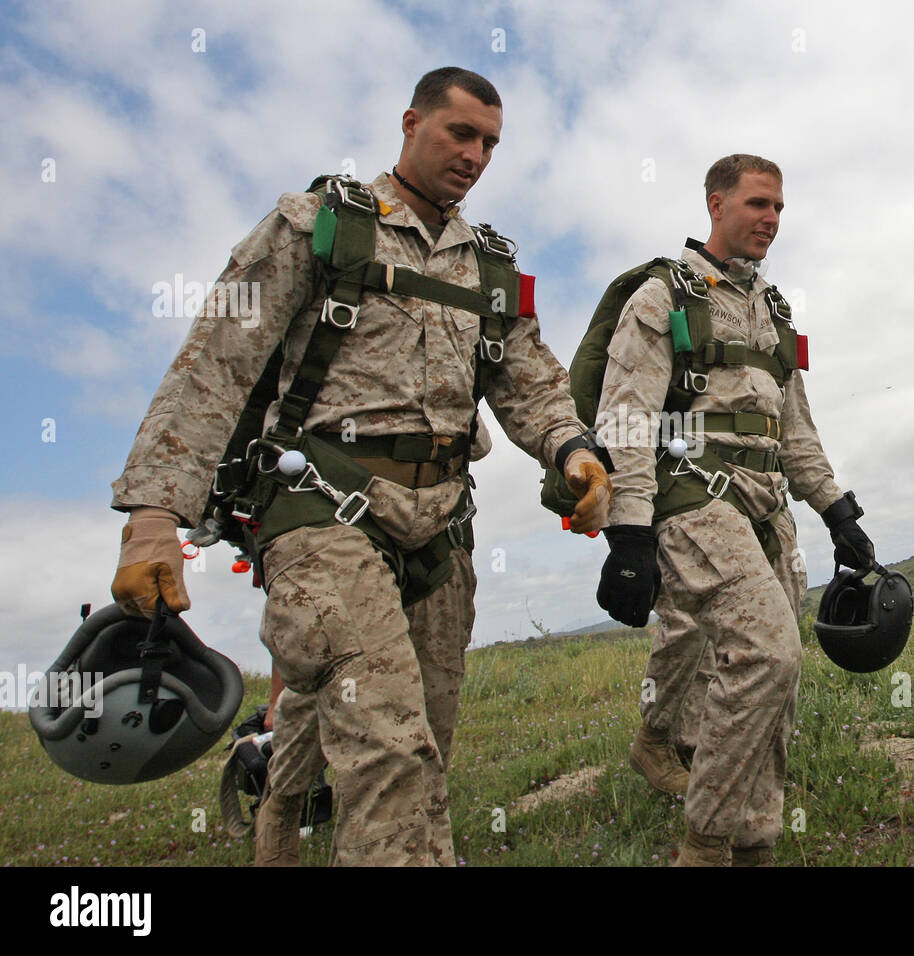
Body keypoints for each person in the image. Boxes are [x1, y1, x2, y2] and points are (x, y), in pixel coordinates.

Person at [109, 67, 611, 866]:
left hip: (440, 527)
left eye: (490, 143)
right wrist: (152, 518)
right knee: (392, 747)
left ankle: (276, 840)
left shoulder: (491, 269)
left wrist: (574, 450)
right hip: (320, 511)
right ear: (411, 122)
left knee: (410, 731)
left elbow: (530, 381)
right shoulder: (315, 225)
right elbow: (214, 366)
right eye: (460, 133)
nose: (475, 155)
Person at [595, 154, 876, 865]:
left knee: (774, 684)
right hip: (691, 498)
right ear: (716, 204)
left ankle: (755, 842)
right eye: (757, 204)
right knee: (768, 651)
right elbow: (625, 416)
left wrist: (837, 510)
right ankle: (706, 844)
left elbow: (795, 429)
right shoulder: (665, 296)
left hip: (767, 509)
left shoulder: (774, 310)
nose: (771, 220)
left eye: (779, 208)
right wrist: (626, 532)